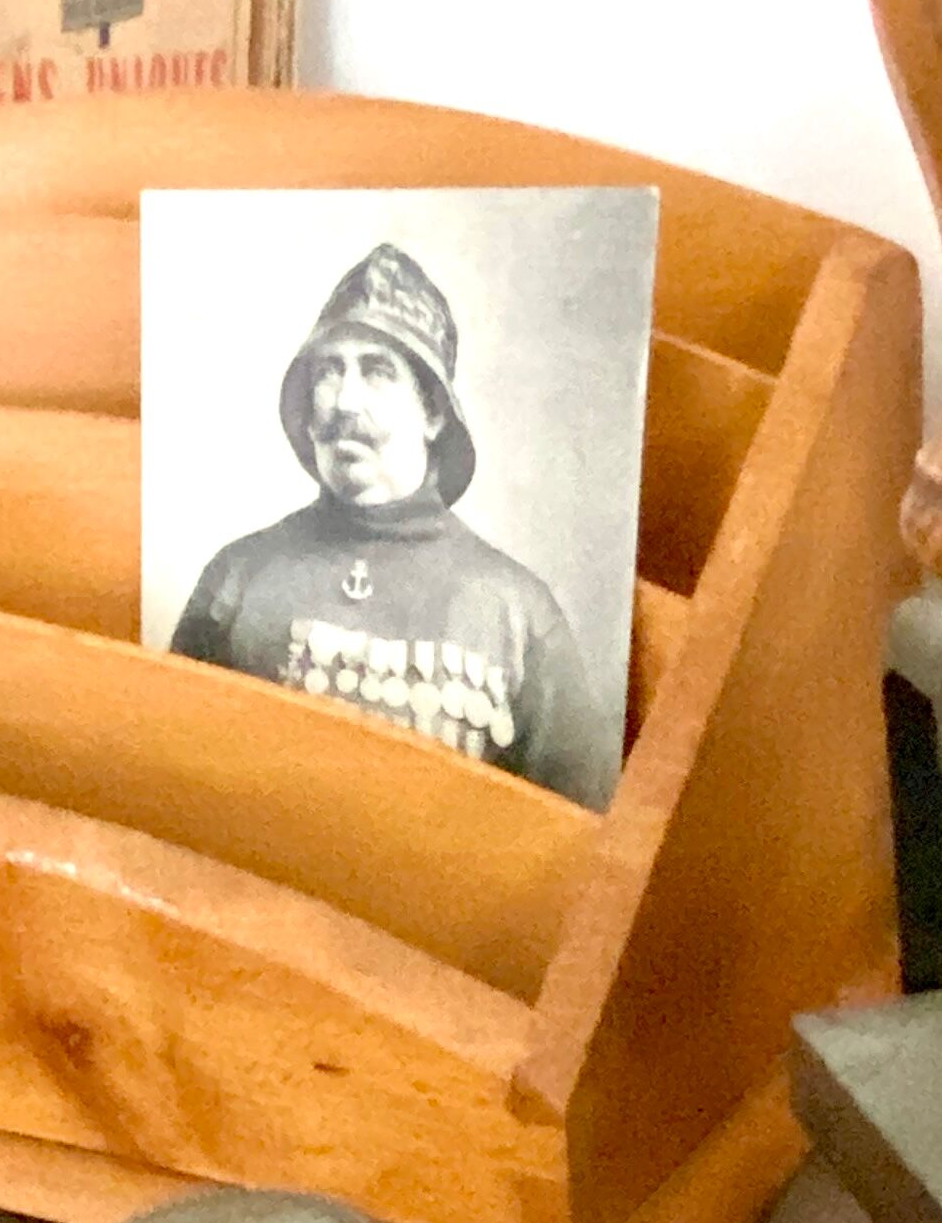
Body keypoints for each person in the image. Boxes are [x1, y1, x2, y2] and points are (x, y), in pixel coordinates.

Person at [172, 242, 613, 806]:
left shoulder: (516, 612)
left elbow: (579, 835)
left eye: (377, 372)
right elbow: (171, 786)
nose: (345, 401)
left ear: (432, 412)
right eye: (330, 372)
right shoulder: (237, 577)